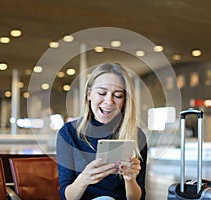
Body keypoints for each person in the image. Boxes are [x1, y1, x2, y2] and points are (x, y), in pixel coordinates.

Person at [56, 63, 148, 200]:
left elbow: (138, 198)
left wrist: (130, 180)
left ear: (125, 101)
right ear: (89, 94)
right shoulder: (68, 133)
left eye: (118, 95)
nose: (109, 101)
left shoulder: (136, 135)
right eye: (102, 93)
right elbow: (67, 197)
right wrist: (85, 179)